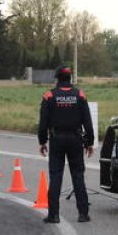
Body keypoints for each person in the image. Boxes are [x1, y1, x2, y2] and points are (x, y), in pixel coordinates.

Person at [37, 66, 95, 224]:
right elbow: (88, 121)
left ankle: (53, 215)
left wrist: (42, 141)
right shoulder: (80, 95)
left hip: (56, 139)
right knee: (78, 176)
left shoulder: (49, 96)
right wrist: (90, 142)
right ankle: (83, 214)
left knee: (56, 176)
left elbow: (43, 123)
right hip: (76, 139)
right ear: (70, 78)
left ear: (57, 78)